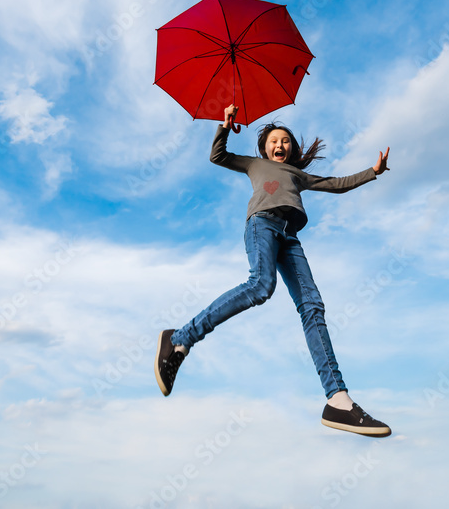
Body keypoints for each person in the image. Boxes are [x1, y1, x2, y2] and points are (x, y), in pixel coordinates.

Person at [155, 103, 392, 437]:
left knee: (313, 307)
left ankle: (337, 400)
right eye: (274, 141)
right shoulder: (255, 165)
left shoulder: (298, 175)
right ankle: (180, 339)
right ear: (264, 147)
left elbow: (337, 183)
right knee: (260, 287)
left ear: (291, 149)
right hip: (262, 226)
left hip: (289, 237)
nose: (280, 145)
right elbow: (218, 156)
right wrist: (225, 124)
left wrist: (374, 171)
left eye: (285, 142)